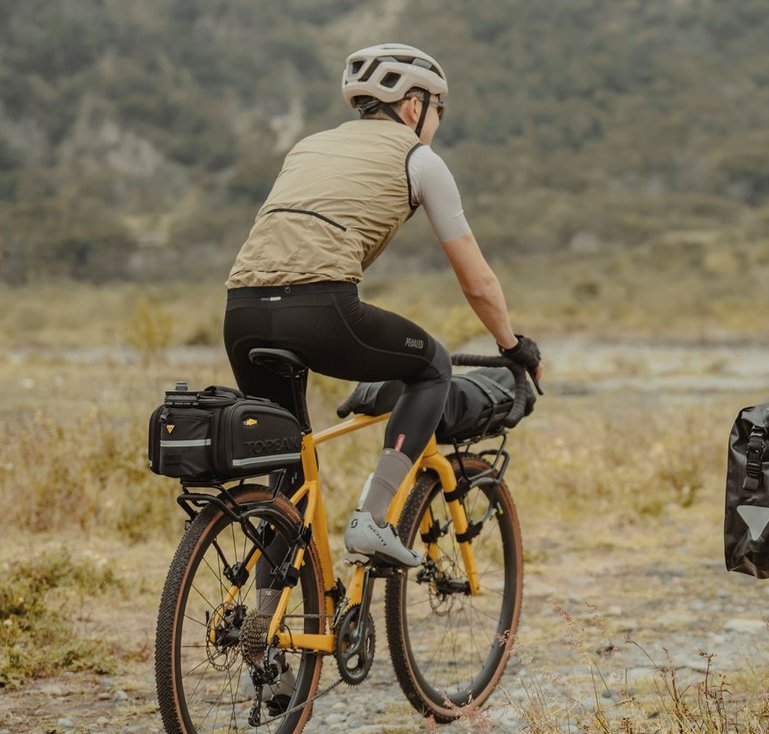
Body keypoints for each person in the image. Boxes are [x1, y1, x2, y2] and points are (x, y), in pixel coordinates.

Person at [223, 42, 542, 576]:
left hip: (241, 313)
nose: (436, 121)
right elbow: (477, 281)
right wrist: (512, 343)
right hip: (319, 307)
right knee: (432, 365)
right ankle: (373, 518)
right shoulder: (420, 158)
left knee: (288, 475)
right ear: (415, 105)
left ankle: (265, 631)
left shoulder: (307, 147)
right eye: (439, 109)